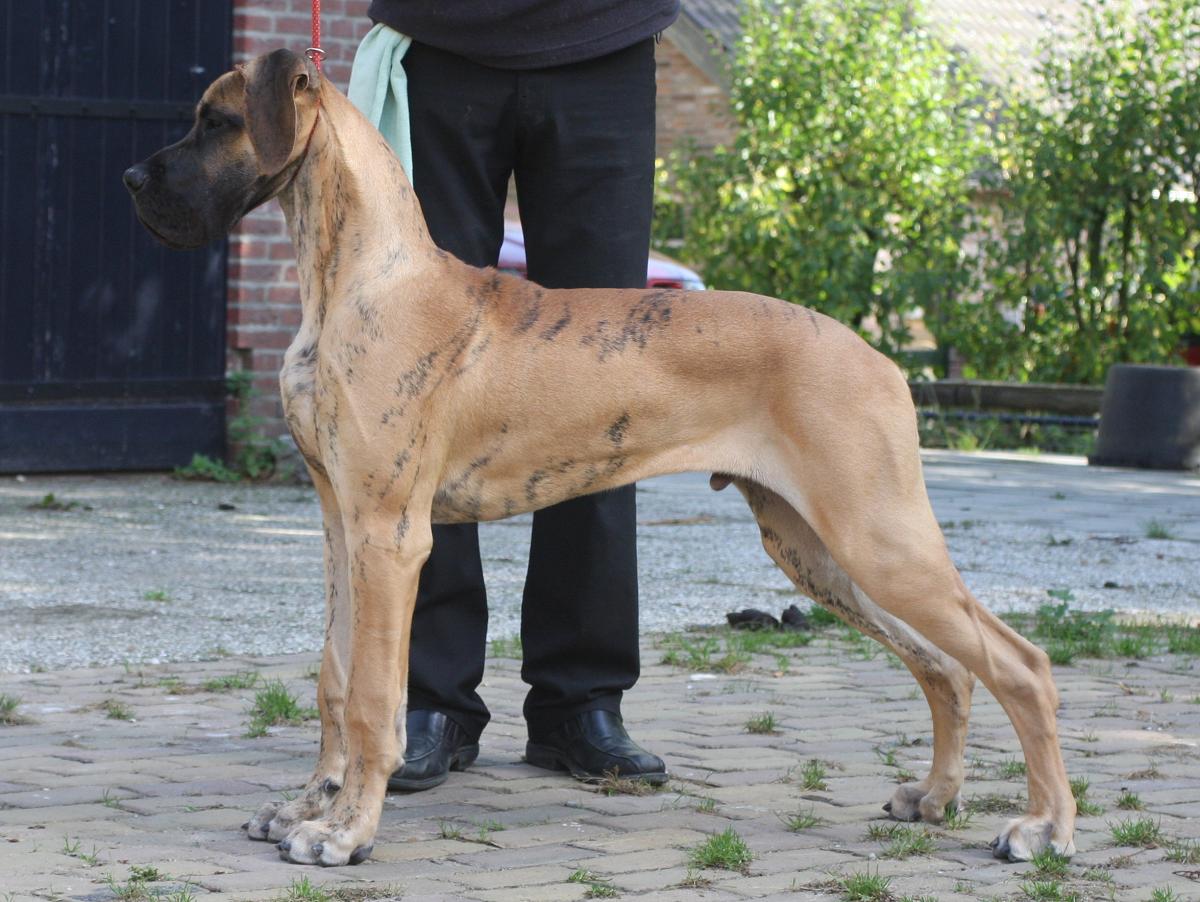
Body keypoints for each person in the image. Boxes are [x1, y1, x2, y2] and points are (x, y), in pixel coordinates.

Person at [356, 1, 680, 792]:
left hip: (605, 39)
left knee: (602, 385)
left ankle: (581, 700)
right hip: (440, 40)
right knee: (422, 382)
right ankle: (430, 699)